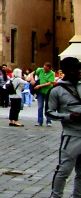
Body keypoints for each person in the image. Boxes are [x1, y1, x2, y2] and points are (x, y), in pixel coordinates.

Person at [46, 57, 81, 197]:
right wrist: (68, 116)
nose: (78, 71)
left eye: (79, 69)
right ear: (65, 71)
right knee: (64, 170)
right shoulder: (56, 90)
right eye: (75, 69)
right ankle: (56, 195)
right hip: (71, 134)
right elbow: (49, 113)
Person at [34, 62, 56, 126]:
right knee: (40, 107)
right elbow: (33, 73)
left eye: (46, 68)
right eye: (44, 67)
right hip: (40, 92)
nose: (44, 69)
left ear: (49, 68)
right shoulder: (41, 70)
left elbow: (49, 83)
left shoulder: (52, 73)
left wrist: (40, 86)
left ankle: (48, 121)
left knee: (48, 107)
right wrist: (32, 80)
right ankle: (39, 121)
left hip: (48, 92)